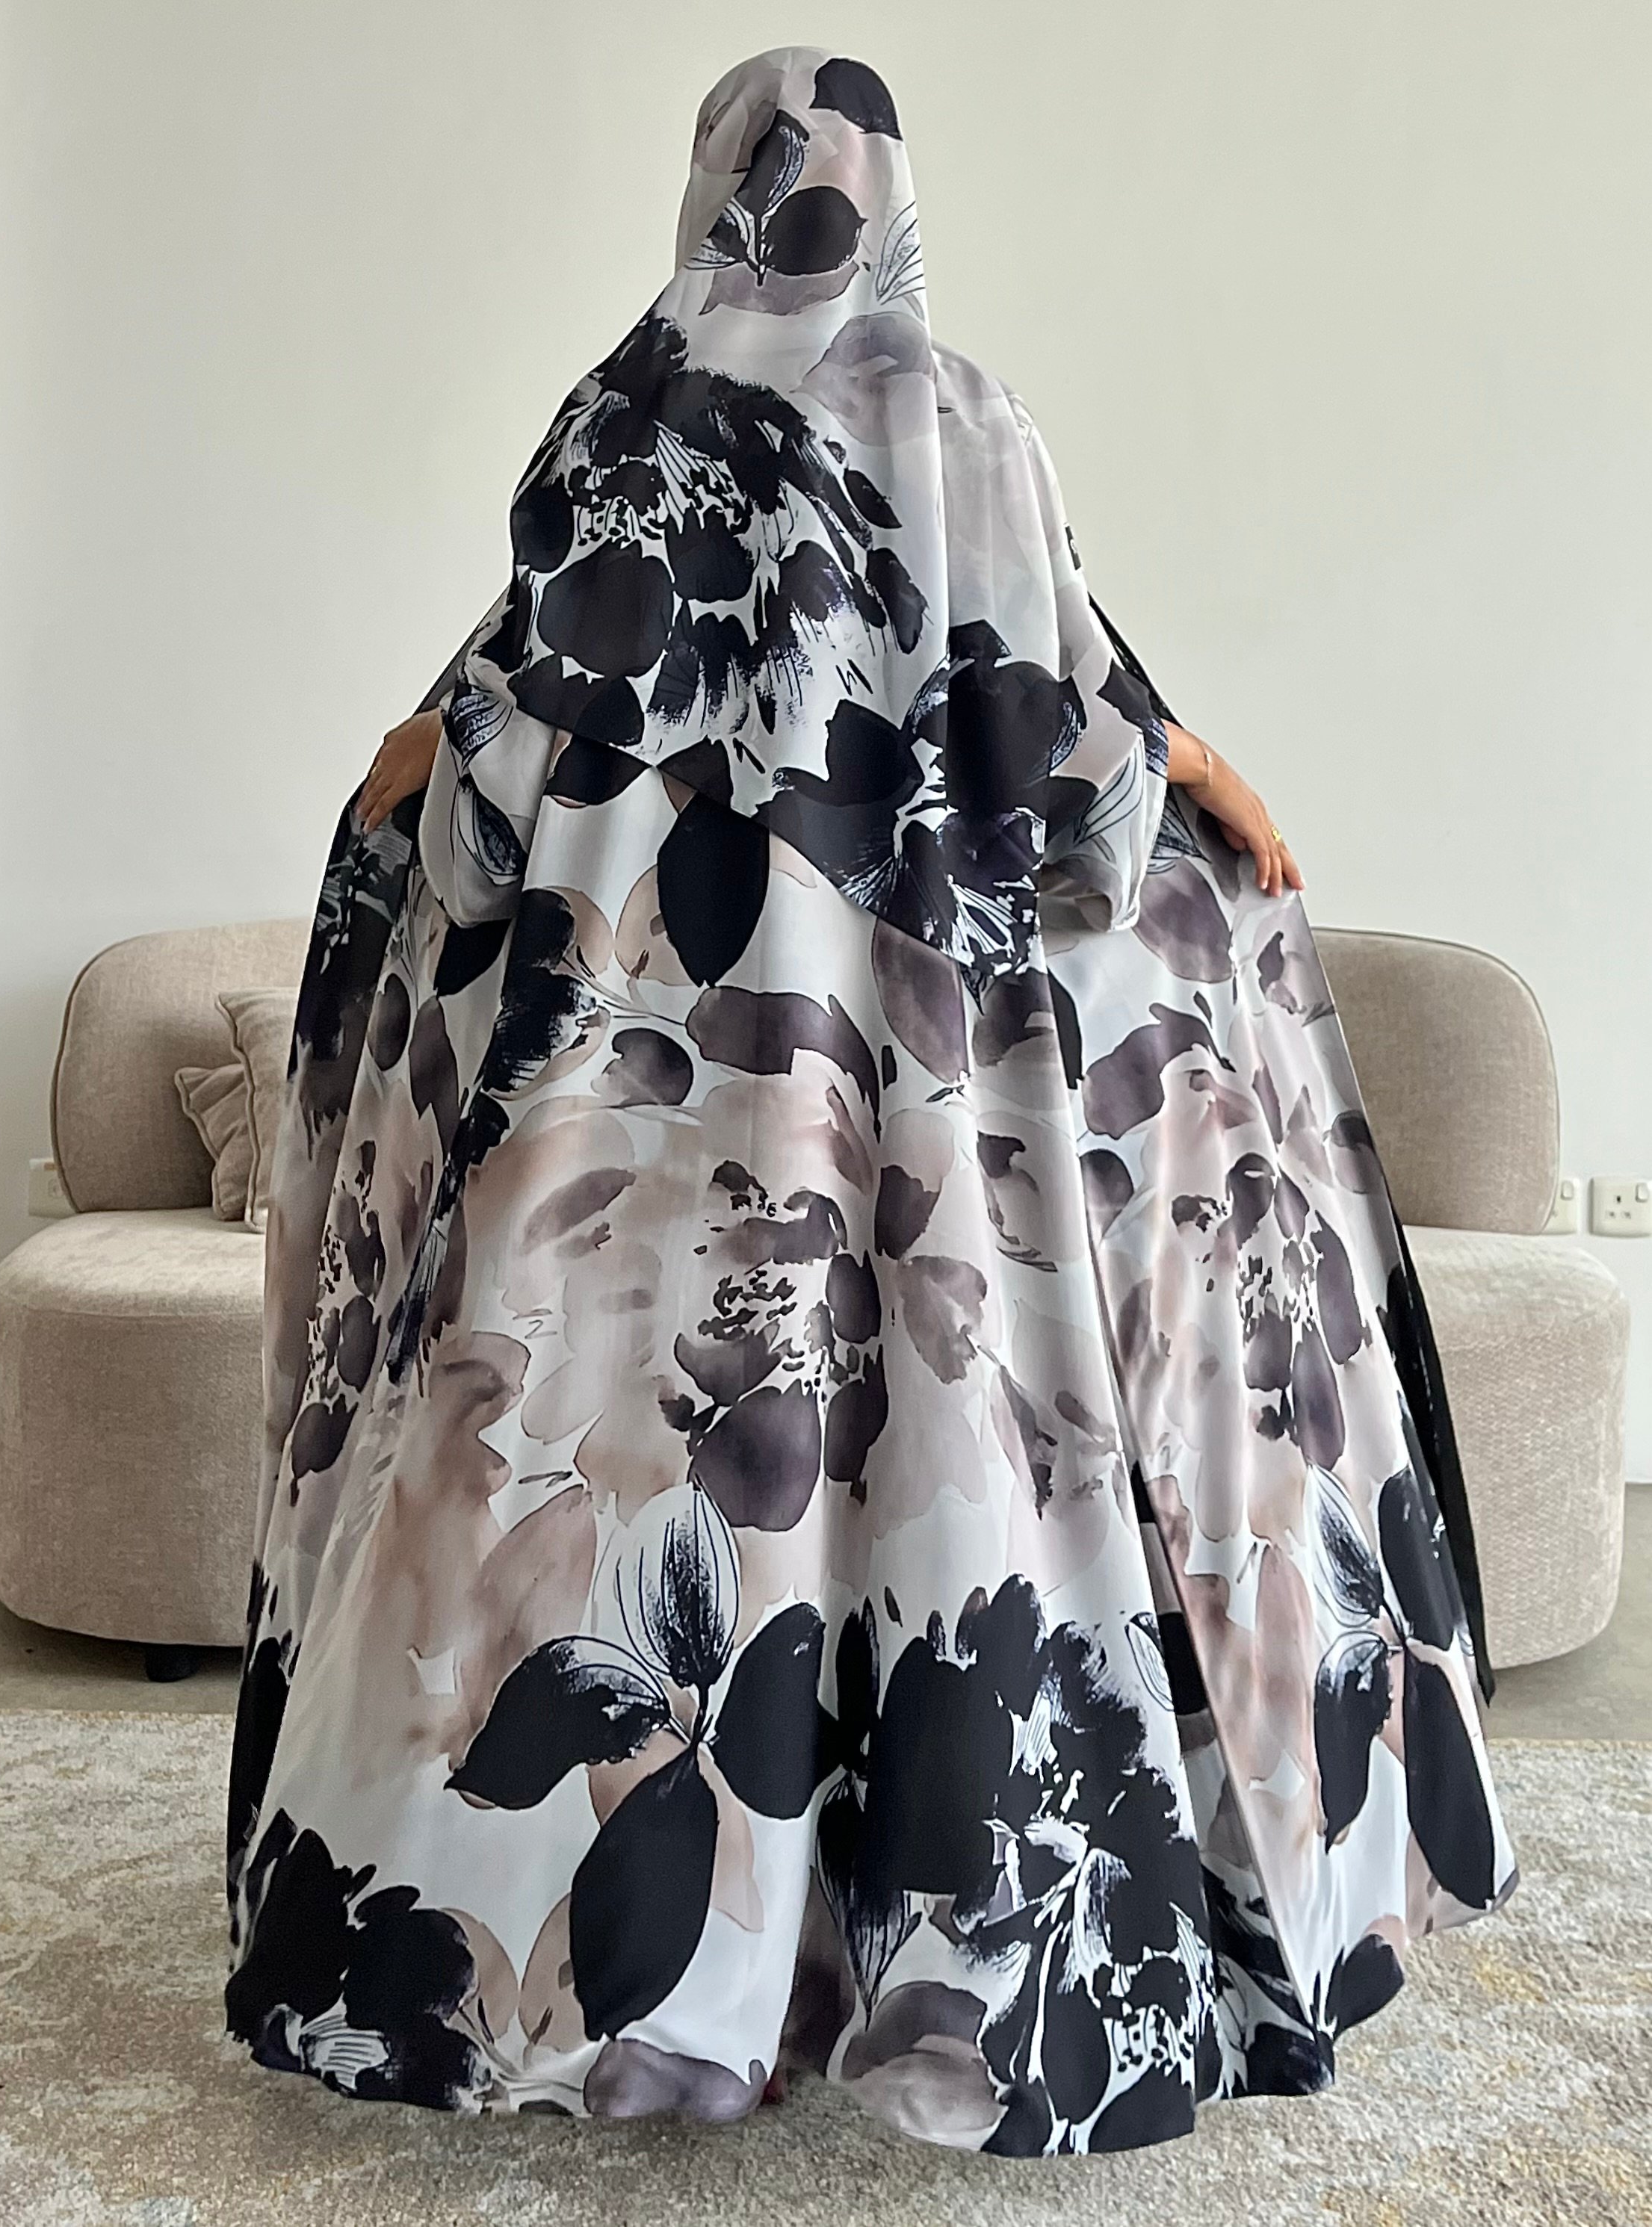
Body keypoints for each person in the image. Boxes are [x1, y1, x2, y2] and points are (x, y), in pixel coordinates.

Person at [225, 46, 1514, 2157]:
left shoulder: (627, 416)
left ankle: (602, 1958)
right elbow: (1059, 716)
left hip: (657, 1099)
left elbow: (528, 713)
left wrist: (414, 762)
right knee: (960, 1468)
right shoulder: (966, 419)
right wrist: (1206, 783)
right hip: (931, 1075)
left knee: (631, 1480)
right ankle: (963, 1951)